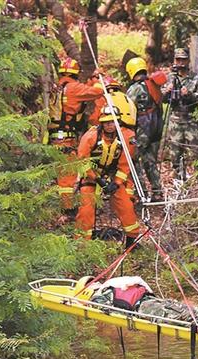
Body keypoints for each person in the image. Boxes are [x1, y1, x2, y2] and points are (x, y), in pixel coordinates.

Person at [75, 95, 141, 247]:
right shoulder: (91, 136)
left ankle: (131, 241)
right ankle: (83, 244)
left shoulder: (127, 137)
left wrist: (116, 183)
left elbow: (125, 165)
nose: (110, 125)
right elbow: (82, 161)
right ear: (101, 123)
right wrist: (97, 179)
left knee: (126, 205)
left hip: (112, 178)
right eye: (106, 122)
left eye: (113, 122)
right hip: (92, 177)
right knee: (86, 208)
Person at [49, 58, 103, 221]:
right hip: (66, 139)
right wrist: (97, 79)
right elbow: (97, 92)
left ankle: (65, 207)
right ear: (75, 74)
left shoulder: (57, 88)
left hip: (55, 137)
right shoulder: (73, 88)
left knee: (62, 174)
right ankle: (67, 210)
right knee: (67, 176)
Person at [161, 48, 198, 181]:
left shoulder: (196, 77)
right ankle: (180, 182)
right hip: (174, 121)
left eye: (183, 60)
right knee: (175, 155)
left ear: (188, 61)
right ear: (174, 60)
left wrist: (188, 94)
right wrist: (167, 91)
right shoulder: (169, 78)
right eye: (178, 60)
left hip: (191, 120)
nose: (181, 63)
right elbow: (161, 98)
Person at [125, 57, 166, 201]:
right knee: (150, 160)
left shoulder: (135, 88)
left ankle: (140, 192)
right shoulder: (154, 84)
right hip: (157, 128)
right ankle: (157, 191)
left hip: (143, 129)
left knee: (134, 158)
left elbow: (127, 107)